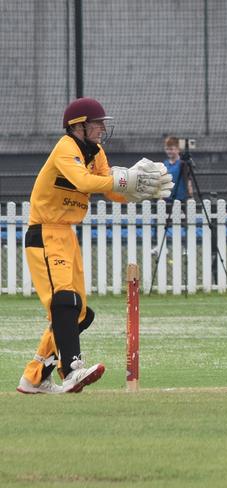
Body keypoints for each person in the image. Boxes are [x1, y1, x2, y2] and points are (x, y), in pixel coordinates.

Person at [16, 97, 173, 394]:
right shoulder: (66, 148)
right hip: (45, 232)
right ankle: (72, 371)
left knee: (81, 314)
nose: (102, 128)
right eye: (98, 123)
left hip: (66, 235)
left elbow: (109, 188)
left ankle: (34, 377)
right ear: (79, 126)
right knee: (65, 301)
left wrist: (138, 190)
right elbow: (85, 182)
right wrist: (123, 179)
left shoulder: (96, 152)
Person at [162, 136, 193, 203]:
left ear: (178, 149)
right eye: (167, 149)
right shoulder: (165, 163)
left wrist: (190, 194)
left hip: (181, 198)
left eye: (171, 149)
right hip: (167, 198)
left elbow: (188, 179)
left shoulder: (182, 163)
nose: (169, 151)